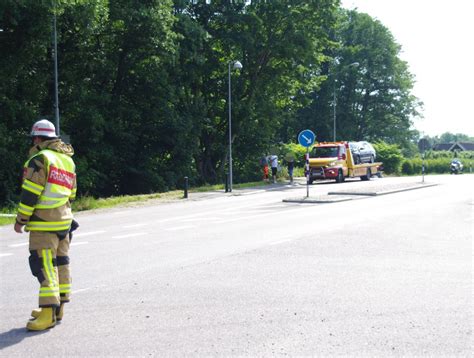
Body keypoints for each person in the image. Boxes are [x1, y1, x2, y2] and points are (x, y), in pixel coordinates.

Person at [14, 119, 77, 331]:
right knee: (61, 263)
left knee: (44, 267)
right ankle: (58, 309)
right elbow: (72, 194)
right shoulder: (67, 160)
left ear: (38, 139)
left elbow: (30, 193)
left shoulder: (40, 159)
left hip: (44, 224)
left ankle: (47, 314)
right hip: (64, 222)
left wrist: (21, 220)